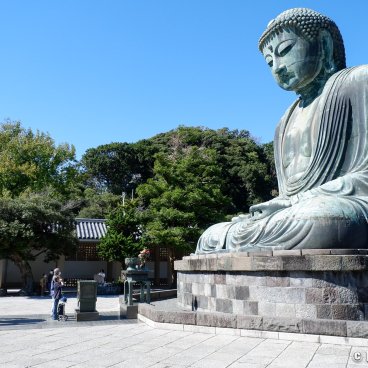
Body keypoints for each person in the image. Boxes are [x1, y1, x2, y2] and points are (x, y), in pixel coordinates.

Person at [196, 8, 368, 253]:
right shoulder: (284, 121)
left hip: (347, 207)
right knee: (211, 236)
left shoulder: (359, 82)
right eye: (269, 62)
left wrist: (294, 202)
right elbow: (287, 193)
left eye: (285, 51)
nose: (277, 67)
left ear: (324, 44)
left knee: (323, 222)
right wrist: (281, 205)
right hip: (293, 213)